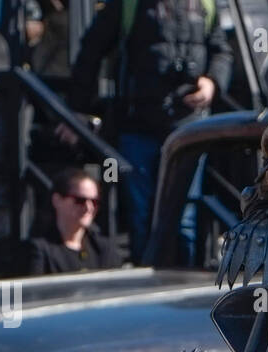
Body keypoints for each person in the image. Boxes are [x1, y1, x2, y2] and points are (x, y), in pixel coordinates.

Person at [64, 0, 232, 261]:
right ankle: (149, 284)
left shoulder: (205, 4)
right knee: (143, 218)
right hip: (138, 126)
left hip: (188, 128)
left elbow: (222, 51)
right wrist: (76, 110)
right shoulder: (127, 5)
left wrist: (213, 82)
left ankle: (183, 286)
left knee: (185, 216)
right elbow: (91, 49)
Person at [22, 168, 123, 274]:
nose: (89, 208)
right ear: (57, 200)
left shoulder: (105, 250)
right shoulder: (39, 250)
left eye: (94, 202)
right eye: (80, 200)